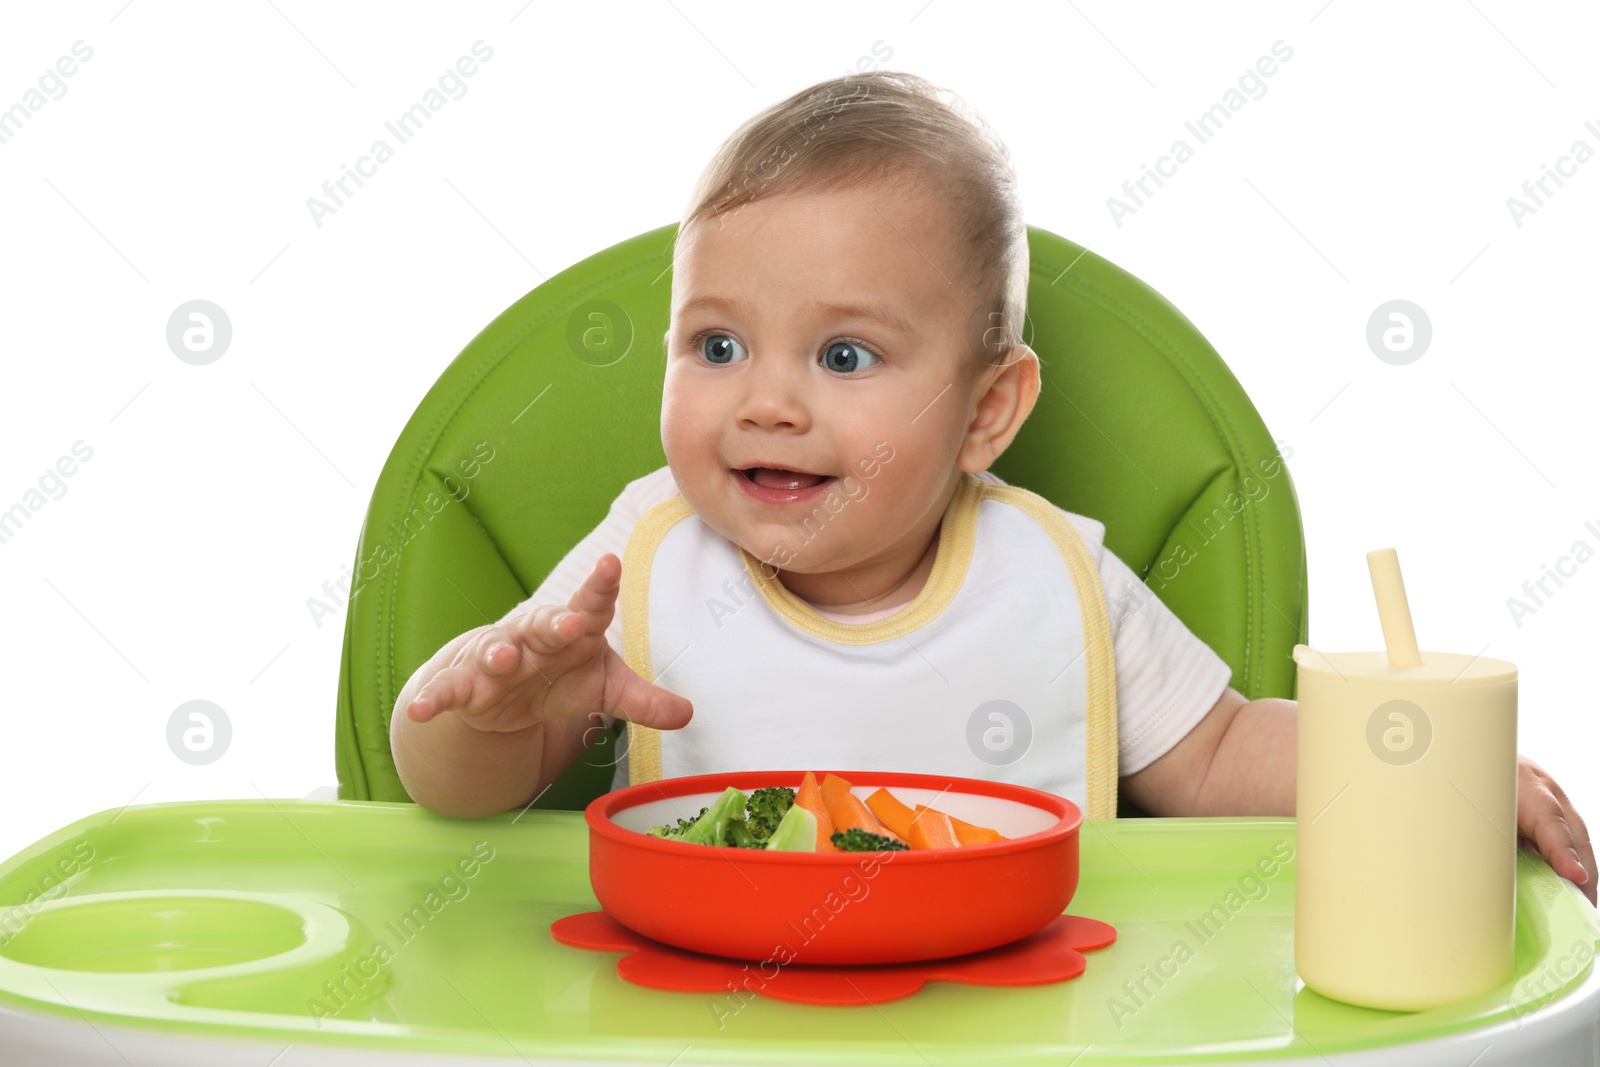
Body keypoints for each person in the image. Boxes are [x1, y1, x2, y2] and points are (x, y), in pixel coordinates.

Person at [388, 71, 1594, 906]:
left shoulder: (1055, 572)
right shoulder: (642, 556)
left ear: (986, 414)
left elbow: (1223, 753)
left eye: (843, 355)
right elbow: (460, 792)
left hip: (1030, 1023)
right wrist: (477, 717)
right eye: (714, 345)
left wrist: (1417, 763)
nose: (764, 400)